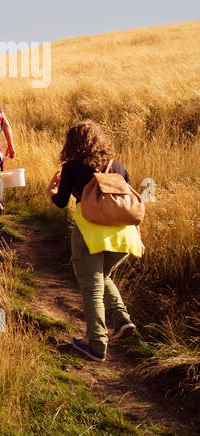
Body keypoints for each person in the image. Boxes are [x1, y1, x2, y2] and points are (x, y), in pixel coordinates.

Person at [48, 120, 144, 361]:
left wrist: (51, 191)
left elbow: (60, 203)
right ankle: (122, 319)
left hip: (90, 235)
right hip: (123, 236)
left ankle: (97, 345)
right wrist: (139, 238)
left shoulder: (71, 168)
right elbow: (130, 204)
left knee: (91, 289)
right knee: (103, 277)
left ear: (72, 143)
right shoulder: (118, 168)